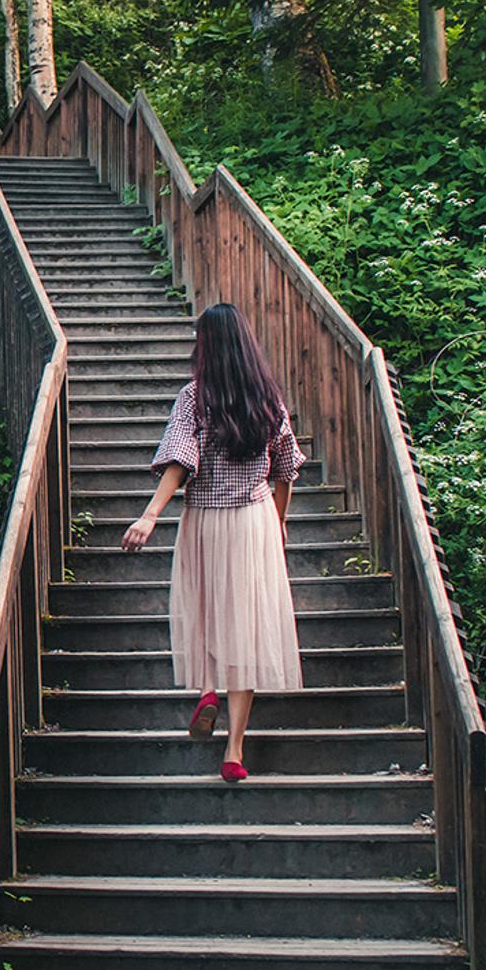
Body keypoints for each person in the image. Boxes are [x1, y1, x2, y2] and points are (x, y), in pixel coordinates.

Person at [120, 302, 305, 783]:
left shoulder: (194, 397)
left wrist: (149, 515)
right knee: (246, 627)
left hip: (205, 517)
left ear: (205, 345)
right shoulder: (268, 399)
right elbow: (285, 469)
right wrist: (279, 525)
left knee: (205, 611)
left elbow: (180, 460)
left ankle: (206, 690)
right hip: (254, 520)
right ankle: (235, 751)